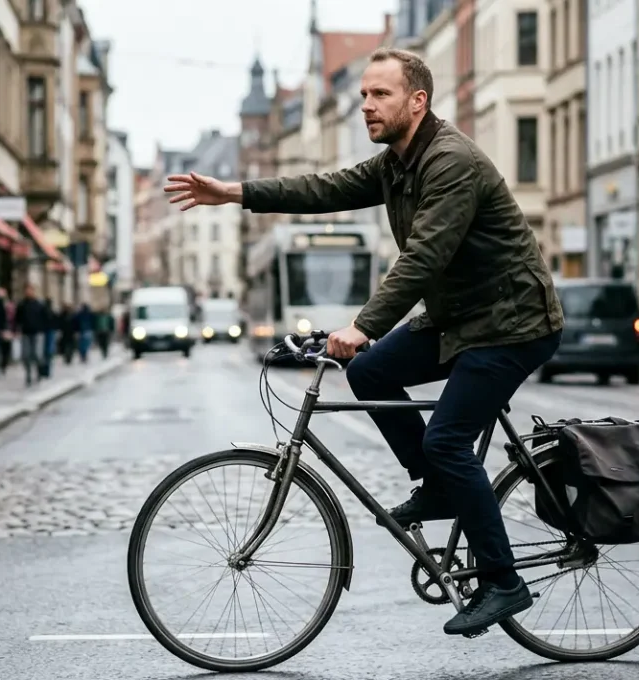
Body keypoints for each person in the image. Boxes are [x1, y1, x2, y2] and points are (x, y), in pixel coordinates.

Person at [164, 47, 563, 637]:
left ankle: (503, 583)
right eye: (363, 96)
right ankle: (437, 489)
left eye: (380, 95)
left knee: (450, 439)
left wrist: (363, 324)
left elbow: (425, 257)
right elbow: (322, 188)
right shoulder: (395, 163)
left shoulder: (449, 161)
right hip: (459, 318)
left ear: (418, 101)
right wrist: (235, 192)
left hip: (511, 322)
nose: (367, 106)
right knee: (371, 373)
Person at [13, 284, 49, 385]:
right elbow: (17, 319)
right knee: (26, 355)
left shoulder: (39, 304)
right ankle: (28, 374)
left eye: (30, 291)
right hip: (26, 333)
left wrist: (44, 329)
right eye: (27, 291)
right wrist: (16, 330)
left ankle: (38, 372)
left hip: (38, 333)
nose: (29, 293)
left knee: (37, 354)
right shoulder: (22, 305)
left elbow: (45, 318)